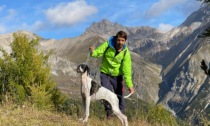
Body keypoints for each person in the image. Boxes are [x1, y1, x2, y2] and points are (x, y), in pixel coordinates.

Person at [89, 30, 135, 119]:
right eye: (119, 40)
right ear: (115, 39)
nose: (120, 42)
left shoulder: (125, 52)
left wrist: (130, 85)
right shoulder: (108, 44)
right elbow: (98, 52)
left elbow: (127, 69)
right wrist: (92, 52)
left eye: (122, 40)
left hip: (117, 76)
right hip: (105, 74)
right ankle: (109, 114)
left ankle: (122, 115)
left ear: (125, 41)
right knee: (106, 94)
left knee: (120, 95)